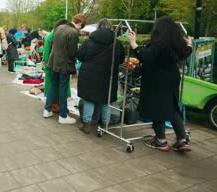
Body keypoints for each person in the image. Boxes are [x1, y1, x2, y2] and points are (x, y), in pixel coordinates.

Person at [128, 16, 192, 152]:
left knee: (157, 107)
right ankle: (182, 139)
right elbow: (186, 53)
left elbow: (146, 58)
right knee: (173, 107)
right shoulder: (178, 43)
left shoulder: (158, 44)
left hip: (156, 80)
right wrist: (190, 44)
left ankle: (161, 140)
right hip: (172, 79)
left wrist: (134, 44)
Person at [76, 19, 125, 134]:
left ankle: (86, 124)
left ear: (98, 27)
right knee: (105, 100)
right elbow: (121, 59)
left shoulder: (89, 41)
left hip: (89, 75)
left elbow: (80, 56)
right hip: (108, 75)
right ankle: (104, 125)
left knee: (89, 98)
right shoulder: (117, 43)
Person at [44, 14, 86, 124]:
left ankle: (47, 110)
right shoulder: (73, 33)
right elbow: (72, 53)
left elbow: (53, 45)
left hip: (53, 62)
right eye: (81, 27)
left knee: (53, 86)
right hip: (64, 65)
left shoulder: (59, 27)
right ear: (80, 24)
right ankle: (63, 116)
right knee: (63, 89)